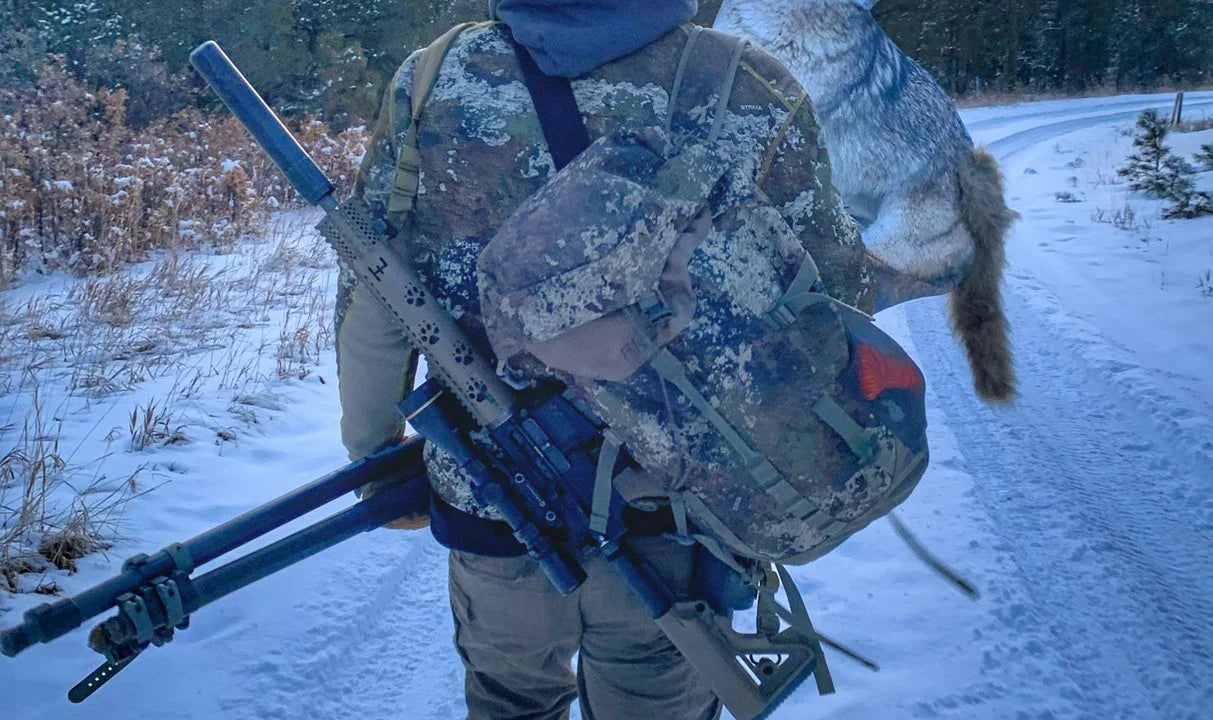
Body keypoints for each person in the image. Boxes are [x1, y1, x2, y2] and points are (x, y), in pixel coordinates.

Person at [335, 1, 870, 718]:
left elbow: (374, 289)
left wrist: (372, 451)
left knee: (509, 701)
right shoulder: (746, 80)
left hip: (497, 495)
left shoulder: (436, 76)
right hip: (681, 511)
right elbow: (830, 295)